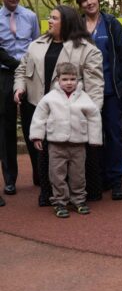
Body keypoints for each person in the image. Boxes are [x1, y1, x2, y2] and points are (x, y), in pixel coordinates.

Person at [15, 5, 103, 207]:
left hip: (71, 114)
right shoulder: (35, 45)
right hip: (37, 106)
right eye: (50, 17)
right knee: (45, 155)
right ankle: (50, 194)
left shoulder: (87, 50)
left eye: (54, 18)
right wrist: (18, 89)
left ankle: (78, 197)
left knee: (76, 160)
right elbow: (21, 71)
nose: (49, 20)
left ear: (67, 22)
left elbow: (95, 87)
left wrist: (91, 117)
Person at [75, 0, 122, 200]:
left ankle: (116, 180)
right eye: (84, 0)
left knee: (113, 135)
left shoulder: (111, 24)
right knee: (91, 136)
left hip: (110, 92)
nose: (89, 3)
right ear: (80, 4)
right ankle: (97, 178)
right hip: (84, 93)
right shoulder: (77, 27)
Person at [29, 63, 102, 218]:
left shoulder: (84, 97)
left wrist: (94, 139)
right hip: (56, 145)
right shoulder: (50, 98)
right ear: (58, 80)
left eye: (72, 79)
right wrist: (37, 136)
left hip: (78, 145)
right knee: (57, 174)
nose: (69, 82)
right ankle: (60, 202)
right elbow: (39, 117)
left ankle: (79, 200)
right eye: (65, 79)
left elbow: (94, 117)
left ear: (77, 80)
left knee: (78, 175)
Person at [0, 0, 40, 196]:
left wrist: (28, 70)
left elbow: (36, 44)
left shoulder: (31, 17)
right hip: (4, 74)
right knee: (6, 128)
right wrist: (17, 65)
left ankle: (38, 173)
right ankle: (10, 178)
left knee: (32, 124)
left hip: (29, 75)